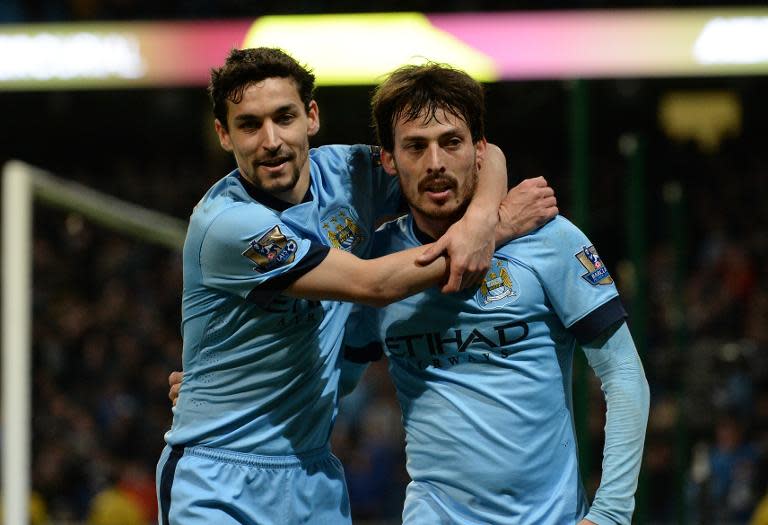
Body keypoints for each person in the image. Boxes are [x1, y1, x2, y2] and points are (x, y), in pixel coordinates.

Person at [156, 47, 557, 525]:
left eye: (284, 117)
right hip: (218, 474)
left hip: (312, 474)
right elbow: (372, 284)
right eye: (249, 125)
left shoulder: (349, 174)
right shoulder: (228, 225)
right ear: (224, 134)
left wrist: (479, 219)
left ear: (312, 116)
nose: (271, 141)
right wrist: (501, 225)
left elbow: (480, 155)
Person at [335, 63, 651, 524]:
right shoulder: (378, 263)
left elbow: (624, 375)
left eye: (451, 142)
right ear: (389, 159)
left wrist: (611, 513)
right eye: (416, 147)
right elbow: (331, 384)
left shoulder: (550, 239)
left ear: (479, 151)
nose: (436, 163)